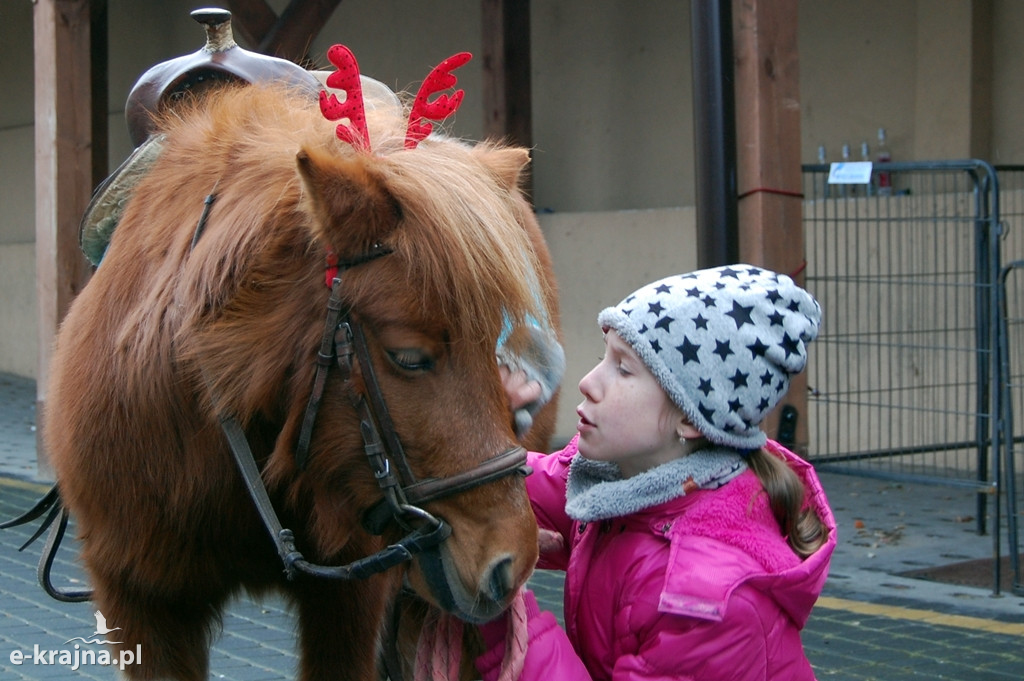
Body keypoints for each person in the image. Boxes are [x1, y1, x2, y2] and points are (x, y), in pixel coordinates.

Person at [477, 264, 837, 681]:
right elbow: (523, 488)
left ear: (690, 417)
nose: (588, 382)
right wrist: (477, 425)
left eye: (624, 368)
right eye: (602, 357)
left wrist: (502, 621)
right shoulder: (620, 476)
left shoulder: (704, 601)